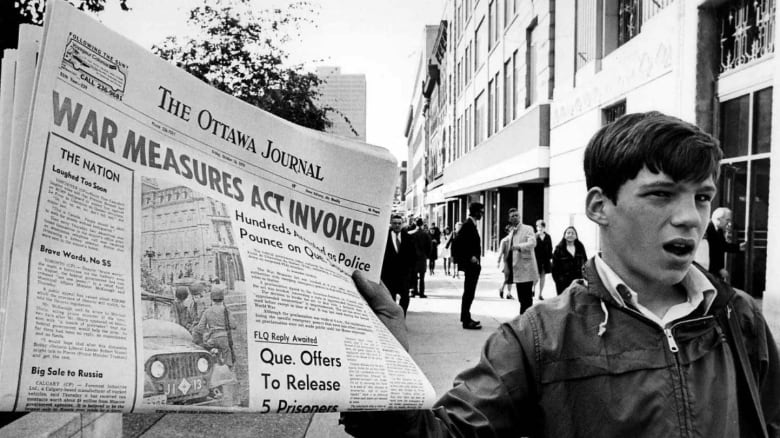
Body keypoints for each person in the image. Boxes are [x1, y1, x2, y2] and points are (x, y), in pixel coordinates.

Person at [342, 111, 780, 437]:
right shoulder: (540, 338)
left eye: (702, 197)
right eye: (662, 195)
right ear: (598, 207)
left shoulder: (736, 317)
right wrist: (381, 376)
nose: (690, 217)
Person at [451, 203, 484, 329]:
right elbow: (457, 243)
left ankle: (467, 317)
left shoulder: (472, 225)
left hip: (473, 265)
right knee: (469, 292)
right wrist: (470, 256)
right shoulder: (467, 225)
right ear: (475, 212)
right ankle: (466, 320)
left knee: (470, 292)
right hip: (471, 265)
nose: (482, 214)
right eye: (480, 211)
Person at [501, 208, 538, 314]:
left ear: (520, 217)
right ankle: (524, 320)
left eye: (516, 215)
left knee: (527, 299)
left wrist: (518, 246)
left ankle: (526, 320)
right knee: (522, 299)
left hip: (526, 269)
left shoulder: (528, 228)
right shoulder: (511, 232)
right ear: (509, 219)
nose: (515, 217)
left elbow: (532, 243)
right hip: (516, 269)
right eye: (512, 216)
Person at [381, 214, 415, 315]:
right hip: (389, 276)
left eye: (399, 223)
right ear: (391, 224)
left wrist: (412, 276)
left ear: (402, 224)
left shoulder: (408, 238)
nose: (397, 225)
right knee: (390, 299)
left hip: (403, 276)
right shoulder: (384, 238)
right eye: (395, 223)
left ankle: (401, 318)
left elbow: (412, 258)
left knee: (405, 298)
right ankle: (392, 320)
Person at [194, 288, 237, 367]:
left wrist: (207, 333)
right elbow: (233, 325)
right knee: (228, 359)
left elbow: (200, 328)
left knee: (206, 352)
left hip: (212, 339)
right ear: (222, 299)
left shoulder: (207, 311)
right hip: (224, 339)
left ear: (212, 299)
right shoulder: (226, 310)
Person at [706, 206, 746, 283]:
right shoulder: (707, 230)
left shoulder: (719, 230)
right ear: (718, 219)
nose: (729, 223)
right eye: (727, 220)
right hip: (708, 270)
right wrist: (719, 269)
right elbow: (710, 253)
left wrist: (739, 247)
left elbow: (722, 246)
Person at [551, 226, 588, 295]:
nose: (570, 235)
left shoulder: (580, 247)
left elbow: (585, 262)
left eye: (573, 233)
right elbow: (554, 267)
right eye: (568, 233)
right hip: (563, 282)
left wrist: (584, 277)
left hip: (578, 281)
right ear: (564, 235)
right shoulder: (559, 249)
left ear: (576, 236)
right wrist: (558, 281)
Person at [407, 218, 431, 298]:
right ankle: (421, 292)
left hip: (412, 258)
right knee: (422, 277)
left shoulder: (410, 234)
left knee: (413, 276)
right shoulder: (426, 234)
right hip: (422, 258)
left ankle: (414, 291)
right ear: (422, 224)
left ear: (415, 223)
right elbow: (429, 247)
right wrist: (427, 255)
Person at [534, 219, 553, 300]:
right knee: (536, 277)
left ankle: (540, 294)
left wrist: (550, 258)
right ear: (536, 227)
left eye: (542, 227)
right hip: (536, 259)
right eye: (538, 227)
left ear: (544, 227)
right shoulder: (534, 236)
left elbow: (550, 248)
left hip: (545, 259)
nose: (540, 228)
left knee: (543, 276)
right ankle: (533, 288)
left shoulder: (548, 237)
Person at [495, 225, 515, 300]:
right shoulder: (504, 240)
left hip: (514, 261)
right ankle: (501, 288)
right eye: (512, 230)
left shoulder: (516, 240)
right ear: (508, 231)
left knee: (511, 278)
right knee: (507, 278)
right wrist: (498, 262)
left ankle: (509, 293)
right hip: (506, 261)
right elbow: (500, 252)